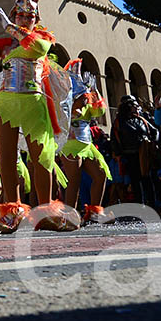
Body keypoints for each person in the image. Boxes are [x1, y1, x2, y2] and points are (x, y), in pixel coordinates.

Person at [0, 0, 79, 233]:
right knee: (7, 159)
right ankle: (12, 210)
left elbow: (36, 49)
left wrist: (10, 25)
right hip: (6, 103)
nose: (23, 18)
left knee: (40, 158)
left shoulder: (41, 40)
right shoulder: (6, 44)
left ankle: (45, 212)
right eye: (20, 14)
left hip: (34, 104)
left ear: (36, 18)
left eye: (28, 15)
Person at [60, 60, 112, 224]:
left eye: (85, 95)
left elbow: (100, 111)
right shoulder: (63, 105)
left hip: (87, 145)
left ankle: (94, 211)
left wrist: (95, 91)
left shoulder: (87, 103)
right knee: (73, 180)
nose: (84, 97)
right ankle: (70, 216)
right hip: (70, 146)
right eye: (81, 95)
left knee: (100, 174)